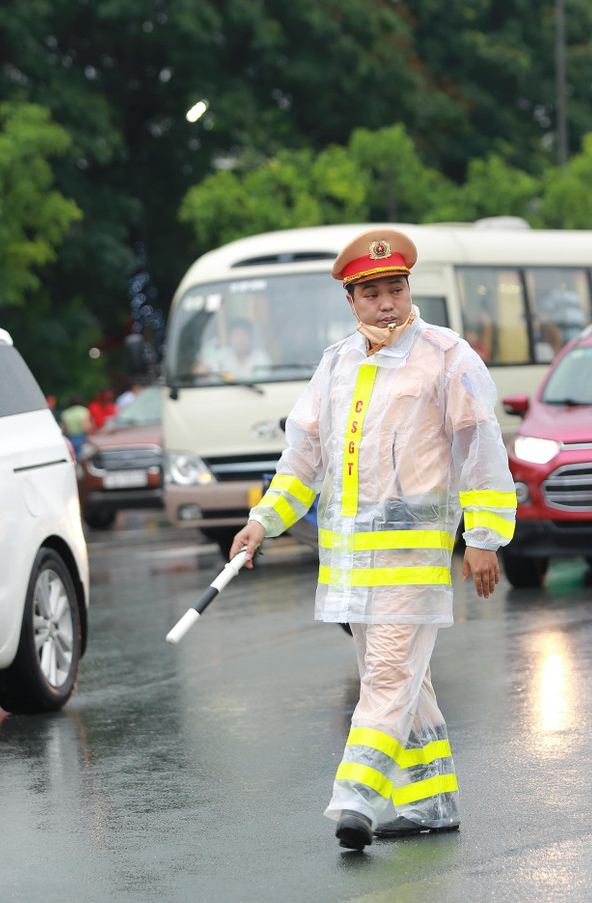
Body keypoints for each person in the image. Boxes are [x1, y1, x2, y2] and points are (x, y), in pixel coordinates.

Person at [229, 228, 515, 851]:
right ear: (352, 300)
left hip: (412, 561)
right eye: (372, 292)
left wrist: (485, 537)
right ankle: (433, 801)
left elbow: (481, 450)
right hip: (352, 566)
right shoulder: (335, 364)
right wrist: (263, 521)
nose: (387, 302)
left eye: (397, 287)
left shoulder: (447, 355)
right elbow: (302, 458)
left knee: (386, 680)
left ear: (409, 289)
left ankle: (355, 800)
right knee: (407, 686)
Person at [204, 317, 273, 381]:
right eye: (236, 335)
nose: (241, 340)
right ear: (230, 339)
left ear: (251, 337)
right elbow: (204, 367)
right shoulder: (224, 354)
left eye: (245, 334)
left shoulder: (261, 357)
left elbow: (264, 381)